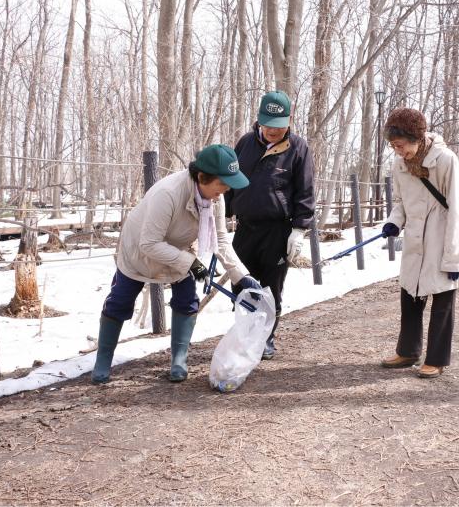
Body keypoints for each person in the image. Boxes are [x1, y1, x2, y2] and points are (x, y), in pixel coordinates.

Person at [91, 145, 262, 384]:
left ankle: (179, 359)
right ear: (202, 178)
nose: (226, 190)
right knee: (120, 300)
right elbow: (149, 243)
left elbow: (220, 239)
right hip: (139, 251)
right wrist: (191, 263)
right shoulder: (168, 193)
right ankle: (102, 361)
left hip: (179, 248)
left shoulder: (215, 198)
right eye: (223, 183)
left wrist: (240, 276)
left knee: (187, 300)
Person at [225, 90, 315, 359]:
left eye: (278, 126)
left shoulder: (298, 148)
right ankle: (245, 334)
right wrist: (222, 215)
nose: (273, 131)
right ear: (259, 120)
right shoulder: (244, 144)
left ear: (289, 120)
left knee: (270, 288)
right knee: (241, 284)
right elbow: (230, 184)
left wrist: (299, 229)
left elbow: (305, 191)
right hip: (245, 228)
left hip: (277, 230)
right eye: (268, 124)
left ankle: (265, 338)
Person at [379, 108, 459, 378]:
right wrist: (395, 221)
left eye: (400, 145)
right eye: (393, 146)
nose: (397, 151)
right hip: (415, 238)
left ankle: (437, 358)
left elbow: (458, 209)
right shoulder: (399, 164)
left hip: (442, 237)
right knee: (410, 294)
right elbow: (401, 201)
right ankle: (408, 351)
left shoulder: (445, 160)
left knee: (442, 300)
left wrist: (454, 257)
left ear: (416, 138)